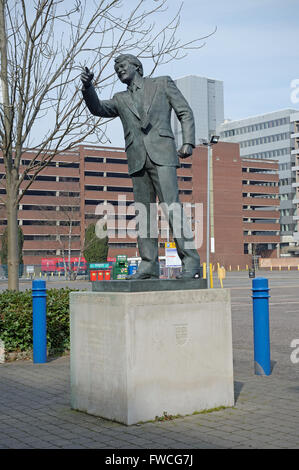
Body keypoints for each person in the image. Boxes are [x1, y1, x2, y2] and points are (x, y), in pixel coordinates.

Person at [81, 54, 201, 279]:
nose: (119, 70)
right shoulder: (120, 98)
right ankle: (148, 265)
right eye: (116, 69)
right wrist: (88, 87)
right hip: (137, 159)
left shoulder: (162, 83)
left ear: (137, 67)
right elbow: (97, 108)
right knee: (144, 214)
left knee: (171, 207)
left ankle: (191, 262)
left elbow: (184, 112)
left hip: (163, 154)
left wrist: (188, 142)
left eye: (122, 66)